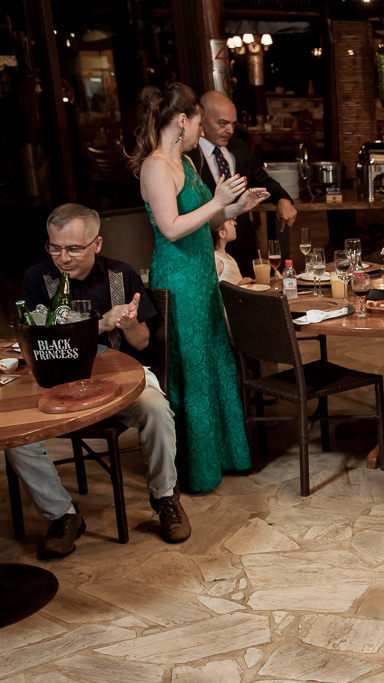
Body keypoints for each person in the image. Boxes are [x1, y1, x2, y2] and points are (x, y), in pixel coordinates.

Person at [8, 204, 191, 559]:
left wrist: (128, 323)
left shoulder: (121, 277)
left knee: (157, 409)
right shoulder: (37, 278)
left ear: (97, 243)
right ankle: (62, 515)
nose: (63, 257)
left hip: (122, 380)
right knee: (17, 438)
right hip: (58, 383)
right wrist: (100, 324)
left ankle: (165, 498)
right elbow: (41, 340)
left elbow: (141, 344)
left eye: (74, 248)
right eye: (55, 247)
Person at [128, 82, 268, 493]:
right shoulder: (156, 166)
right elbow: (171, 229)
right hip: (179, 280)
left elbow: (204, 220)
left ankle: (226, 458)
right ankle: (196, 470)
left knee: (215, 362)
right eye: (198, 124)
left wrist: (238, 206)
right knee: (191, 369)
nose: (202, 133)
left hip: (203, 275)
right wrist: (217, 200)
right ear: (182, 120)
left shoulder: (188, 164)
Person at [189, 90, 295, 274]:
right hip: (207, 250)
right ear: (202, 120)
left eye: (232, 124)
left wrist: (283, 198)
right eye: (222, 123)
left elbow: (266, 182)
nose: (230, 130)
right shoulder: (189, 156)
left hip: (243, 248)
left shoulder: (239, 149)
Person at [213, 218, 251, 285]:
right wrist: (239, 286)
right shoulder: (216, 260)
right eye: (230, 221)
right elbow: (216, 290)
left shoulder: (228, 257)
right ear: (222, 233)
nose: (235, 223)